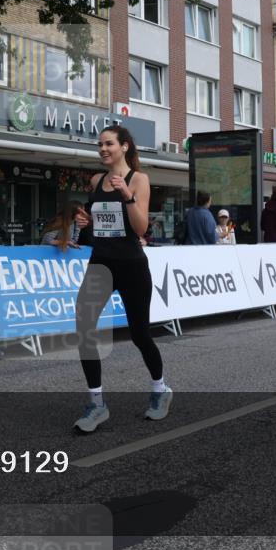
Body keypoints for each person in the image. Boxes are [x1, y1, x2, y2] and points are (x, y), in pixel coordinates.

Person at [71, 126, 170, 432]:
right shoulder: (96, 180)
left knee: (140, 334)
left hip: (131, 266)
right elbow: (96, 226)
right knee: (84, 328)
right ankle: (97, 404)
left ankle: (160, 390)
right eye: (99, 144)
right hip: (101, 262)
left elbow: (140, 229)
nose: (102, 149)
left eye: (109, 144)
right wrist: (84, 222)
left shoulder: (138, 180)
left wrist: (128, 197)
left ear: (124, 146)